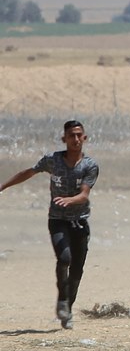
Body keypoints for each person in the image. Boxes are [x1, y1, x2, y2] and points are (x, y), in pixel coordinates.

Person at [0, 120, 99, 330]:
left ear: (84, 138)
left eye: (79, 135)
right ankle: (62, 300)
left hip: (80, 222)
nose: (75, 139)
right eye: (71, 135)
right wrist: (3, 186)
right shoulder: (53, 160)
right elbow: (29, 172)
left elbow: (84, 194)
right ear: (64, 139)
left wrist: (70, 200)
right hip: (57, 220)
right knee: (64, 258)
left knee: (77, 271)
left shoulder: (90, 165)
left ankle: (67, 309)